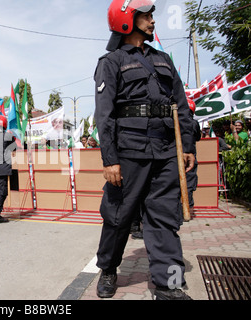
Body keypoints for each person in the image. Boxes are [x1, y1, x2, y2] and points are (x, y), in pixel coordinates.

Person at [93, 0, 195, 300]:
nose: (152, 21)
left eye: (152, 16)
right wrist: (110, 160)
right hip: (129, 153)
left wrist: (186, 146)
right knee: (118, 215)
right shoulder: (110, 62)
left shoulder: (163, 59)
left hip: (165, 151)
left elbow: (182, 105)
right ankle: (109, 269)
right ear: (127, 20)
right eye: (146, 16)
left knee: (164, 216)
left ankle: (169, 285)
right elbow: (104, 115)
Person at [186, 99, 201, 211]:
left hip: (176, 157)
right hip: (191, 158)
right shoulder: (194, 123)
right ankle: (189, 208)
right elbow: (198, 138)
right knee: (189, 183)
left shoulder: (175, 121)